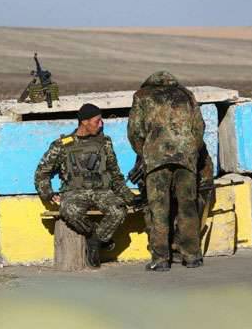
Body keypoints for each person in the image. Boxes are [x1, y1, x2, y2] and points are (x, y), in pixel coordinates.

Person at [34, 104, 135, 268]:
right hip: (75, 192)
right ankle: (91, 233)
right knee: (70, 210)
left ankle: (96, 241)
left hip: (102, 191)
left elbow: (115, 175)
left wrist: (129, 197)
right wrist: (48, 193)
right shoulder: (63, 145)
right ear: (84, 122)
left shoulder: (104, 142)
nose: (101, 124)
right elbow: (42, 172)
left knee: (118, 210)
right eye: (97, 121)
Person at [127, 71, 205, 271]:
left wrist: (145, 152)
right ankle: (192, 256)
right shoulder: (186, 94)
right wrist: (190, 151)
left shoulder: (142, 96)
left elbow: (135, 131)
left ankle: (161, 259)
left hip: (156, 159)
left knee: (158, 208)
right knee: (188, 206)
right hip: (186, 157)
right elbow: (199, 127)